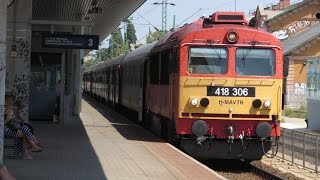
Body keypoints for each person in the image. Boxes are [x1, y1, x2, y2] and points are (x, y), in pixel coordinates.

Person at [4, 95, 42, 159]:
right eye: (19, 108)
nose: (19, 110)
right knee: (25, 130)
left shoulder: (11, 109)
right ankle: (33, 145)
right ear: (16, 105)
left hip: (10, 129)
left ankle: (25, 152)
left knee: (24, 134)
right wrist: (13, 117)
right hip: (5, 129)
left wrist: (17, 119)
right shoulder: (11, 110)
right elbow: (6, 120)